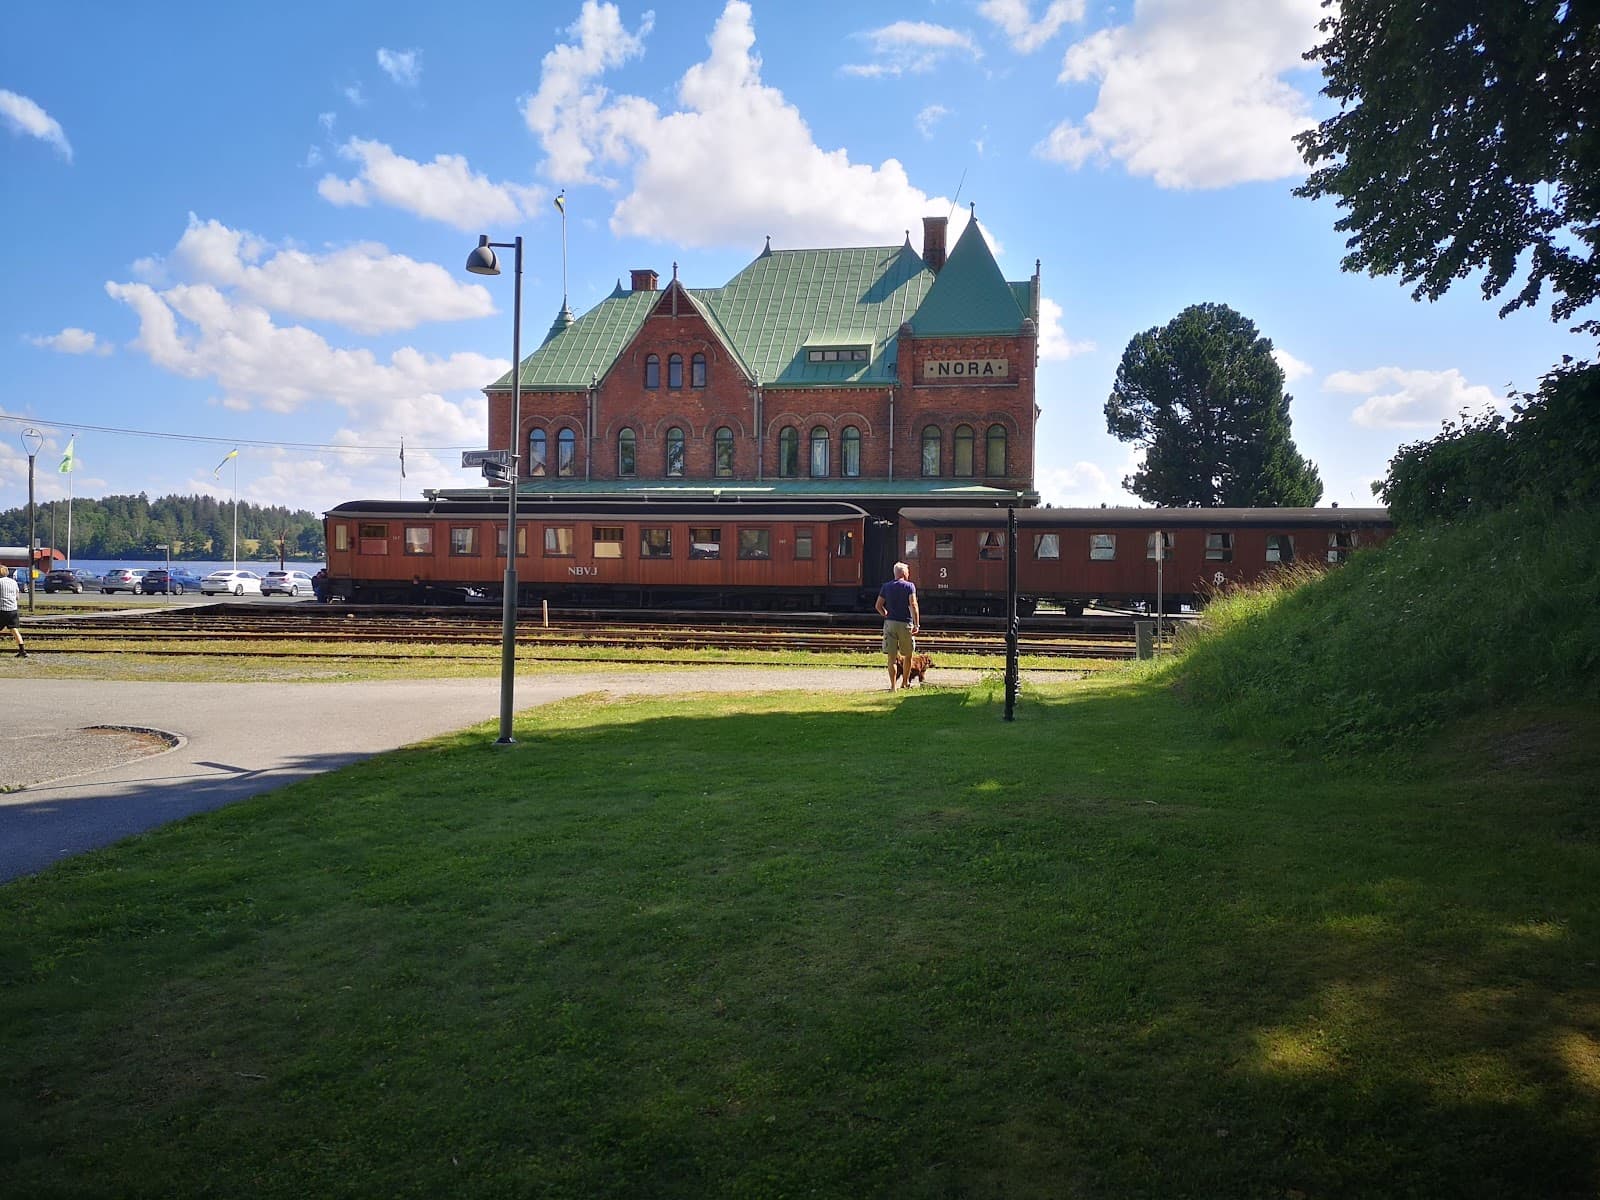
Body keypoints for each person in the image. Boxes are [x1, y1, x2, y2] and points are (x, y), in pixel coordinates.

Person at [874, 560, 920, 690]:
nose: (909, 573)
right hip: (905, 623)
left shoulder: (886, 586)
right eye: (908, 571)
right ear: (904, 573)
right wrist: (917, 624)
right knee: (908, 655)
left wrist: (885, 614)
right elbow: (913, 604)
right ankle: (905, 682)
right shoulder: (910, 586)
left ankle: (893, 687)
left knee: (891, 658)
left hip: (890, 623)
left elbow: (878, 605)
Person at [0, 566, 27, 658]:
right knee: (14, 630)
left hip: (2, 610)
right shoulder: (13, 582)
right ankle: (22, 650)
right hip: (13, 609)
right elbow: (17, 597)